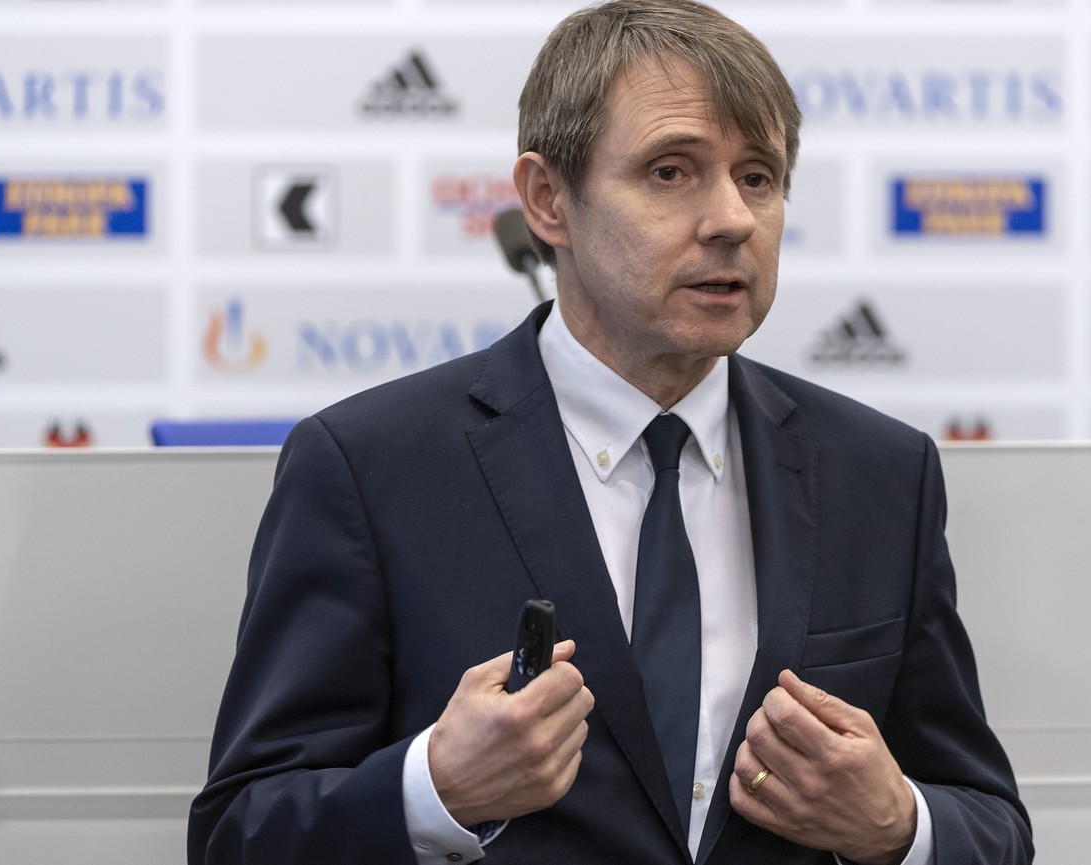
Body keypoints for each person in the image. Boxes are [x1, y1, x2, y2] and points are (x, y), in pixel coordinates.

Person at [188, 2, 1031, 863]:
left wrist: (898, 827)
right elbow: (239, 831)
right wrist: (433, 790)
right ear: (548, 200)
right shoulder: (370, 466)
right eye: (671, 171)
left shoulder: (881, 473)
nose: (732, 219)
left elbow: (992, 822)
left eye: (758, 177)